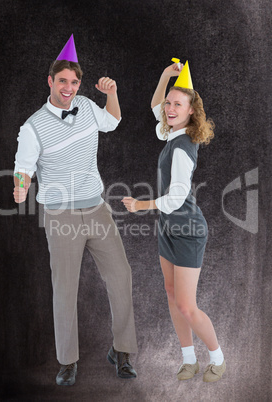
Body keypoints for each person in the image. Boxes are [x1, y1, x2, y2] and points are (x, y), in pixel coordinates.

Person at [13, 35, 138, 386]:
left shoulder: (85, 105)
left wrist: (110, 92)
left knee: (121, 276)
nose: (69, 87)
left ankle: (123, 352)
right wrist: (21, 186)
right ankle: (67, 362)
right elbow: (24, 165)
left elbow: (111, 121)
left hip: (97, 209)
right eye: (62, 81)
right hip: (61, 216)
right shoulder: (33, 125)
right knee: (65, 288)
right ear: (50, 81)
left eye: (74, 81)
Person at [122, 61, 226, 382]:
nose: (168, 108)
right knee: (170, 292)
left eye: (176, 104)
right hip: (169, 227)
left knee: (186, 306)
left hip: (188, 230)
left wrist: (141, 204)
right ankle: (188, 359)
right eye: (170, 102)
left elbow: (177, 198)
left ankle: (218, 359)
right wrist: (167, 78)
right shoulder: (171, 132)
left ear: (191, 111)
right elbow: (155, 106)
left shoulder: (182, 147)